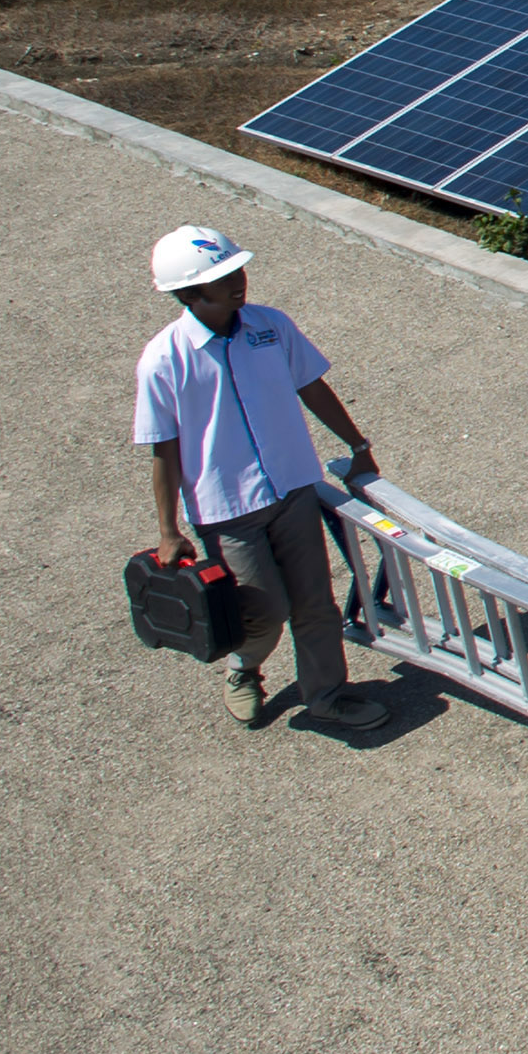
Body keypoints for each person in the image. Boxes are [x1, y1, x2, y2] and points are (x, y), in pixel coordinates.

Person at [133, 223, 389, 732]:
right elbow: (163, 449)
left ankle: (328, 696)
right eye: (222, 276)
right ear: (187, 293)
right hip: (227, 510)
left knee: (315, 602)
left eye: (237, 269)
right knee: (264, 609)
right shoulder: (163, 360)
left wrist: (358, 446)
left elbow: (311, 387)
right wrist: (167, 529)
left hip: (292, 488)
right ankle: (243, 668)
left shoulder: (271, 327)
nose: (238, 281)